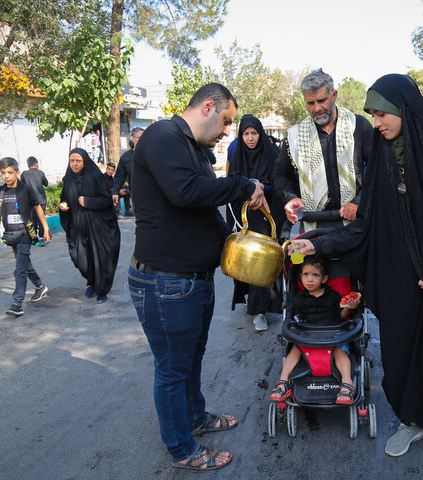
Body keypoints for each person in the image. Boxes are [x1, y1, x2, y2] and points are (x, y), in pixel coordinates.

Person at [292, 74, 423, 462]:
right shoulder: (381, 151)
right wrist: (316, 243)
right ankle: (410, 420)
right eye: (373, 115)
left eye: (382, 114)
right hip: (400, 280)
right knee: (402, 352)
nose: (377, 123)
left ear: (403, 107)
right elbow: (367, 224)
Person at [127, 83, 268, 472]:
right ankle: (181, 448)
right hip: (165, 282)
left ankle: (194, 417)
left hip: (191, 281)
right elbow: (187, 193)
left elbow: (203, 209)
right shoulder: (162, 137)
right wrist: (243, 184)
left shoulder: (194, 149)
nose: (226, 131)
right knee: (173, 369)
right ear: (208, 106)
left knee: (190, 360)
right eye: (225, 121)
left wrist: (234, 242)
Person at [272, 68, 373, 230]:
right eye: (310, 103)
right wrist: (290, 198)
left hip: (355, 220)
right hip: (314, 225)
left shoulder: (358, 125)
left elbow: (377, 169)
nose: (316, 108)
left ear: (334, 96)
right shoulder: (296, 135)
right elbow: (280, 173)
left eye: (321, 100)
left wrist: (358, 202)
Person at [269, 255, 361, 404]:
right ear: (300, 277)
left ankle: (347, 383)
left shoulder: (333, 296)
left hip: (334, 334)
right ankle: (282, 381)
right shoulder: (299, 299)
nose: (310, 279)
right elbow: (295, 318)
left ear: (324, 279)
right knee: (295, 350)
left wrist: (349, 309)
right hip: (307, 335)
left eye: (315, 275)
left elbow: (342, 316)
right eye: (306, 275)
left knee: (339, 352)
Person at [226, 114, 285, 331]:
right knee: (245, 263)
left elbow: (280, 184)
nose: (250, 138)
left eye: (254, 133)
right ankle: (253, 302)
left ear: (261, 134)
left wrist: (261, 188)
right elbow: (231, 184)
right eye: (246, 134)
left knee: (264, 262)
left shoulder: (273, 154)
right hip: (245, 217)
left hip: (269, 216)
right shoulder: (237, 155)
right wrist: (248, 188)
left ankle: (260, 310)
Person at [0, 157, 51, 316]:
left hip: (25, 233)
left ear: (17, 172)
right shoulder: (0, 191)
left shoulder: (26, 190)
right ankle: (40, 286)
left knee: (20, 269)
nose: (6, 176)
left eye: (10, 172)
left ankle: (17, 303)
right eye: (3, 173)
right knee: (24, 263)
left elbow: (37, 207)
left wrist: (45, 228)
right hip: (10, 235)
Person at [59, 148, 120, 303]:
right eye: (72, 160)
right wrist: (64, 204)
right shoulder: (68, 179)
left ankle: (101, 289)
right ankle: (91, 281)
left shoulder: (95, 176)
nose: (74, 164)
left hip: (97, 226)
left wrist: (88, 202)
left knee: (100, 258)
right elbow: (65, 197)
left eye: (78, 161)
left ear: (84, 161)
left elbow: (106, 201)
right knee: (80, 258)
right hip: (78, 226)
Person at [112, 127, 142, 217]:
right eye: (140, 137)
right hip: (136, 194)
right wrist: (115, 192)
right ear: (133, 138)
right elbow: (119, 177)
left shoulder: (152, 154)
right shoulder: (126, 158)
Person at [20, 156, 49, 244]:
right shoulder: (40, 173)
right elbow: (46, 184)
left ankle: (33, 238)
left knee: (31, 218)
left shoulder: (24, 174)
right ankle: (41, 237)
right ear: (36, 164)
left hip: (29, 200)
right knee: (41, 218)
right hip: (41, 200)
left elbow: (22, 185)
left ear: (28, 165)